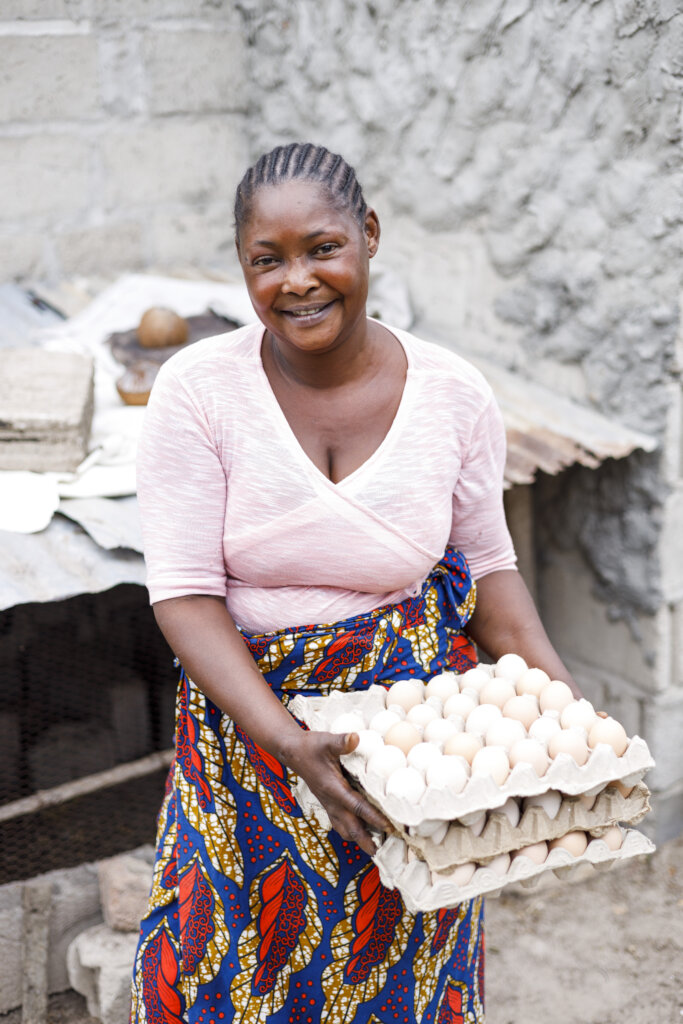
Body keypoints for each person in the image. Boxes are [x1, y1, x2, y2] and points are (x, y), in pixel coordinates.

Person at [130, 142, 576, 1024]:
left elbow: (490, 575)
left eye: (322, 248)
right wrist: (287, 740)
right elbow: (184, 593)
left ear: (368, 234)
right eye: (267, 259)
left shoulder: (452, 396)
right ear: (243, 268)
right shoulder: (198, 392)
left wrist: (564, 716)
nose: (297, 281)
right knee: (223, 969)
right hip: (244, 740)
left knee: (399, 973)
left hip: (409, 757)